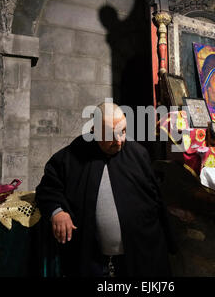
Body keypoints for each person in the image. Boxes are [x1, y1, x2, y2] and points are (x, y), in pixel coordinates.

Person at [35, 102, 176, 277]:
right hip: (92, 262)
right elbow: (47, 188)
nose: (118, 141)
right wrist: (57, 212)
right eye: (110, 134)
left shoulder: (138, 154)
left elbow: (157, 202)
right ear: (94, 130)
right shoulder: (73, 156)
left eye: (122, 132)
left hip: (140, 259)